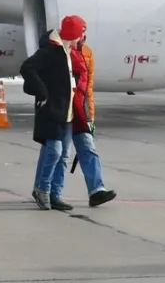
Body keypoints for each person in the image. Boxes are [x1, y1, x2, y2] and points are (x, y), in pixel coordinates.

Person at [23, 16, 87, 211]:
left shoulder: (70, 52)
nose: (82, 38)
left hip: (67, 111)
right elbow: (27, 68)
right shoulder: (50, 51)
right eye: (81, 33)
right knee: (54, 151)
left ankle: (55, 194)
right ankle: (42, 189)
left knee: (64, 155)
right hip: (52, 110)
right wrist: (42, 91)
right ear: (73, 34)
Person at [61, 31, 116, 207]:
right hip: (63, 110)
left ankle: (96, 190)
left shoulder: (87, 53)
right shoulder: (60, 51)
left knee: (88, 149)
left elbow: (88, 87)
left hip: (81, 111)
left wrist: (90, 115)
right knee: (57, 153)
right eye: (81, 33)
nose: (83, 37)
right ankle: (46, 190)